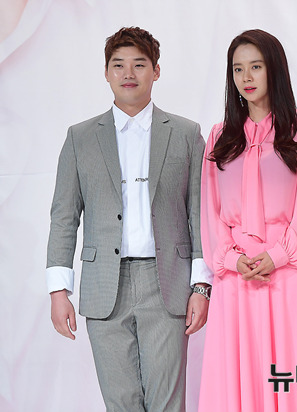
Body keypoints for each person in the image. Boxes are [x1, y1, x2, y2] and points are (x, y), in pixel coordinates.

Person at [46, 27, 210, 412]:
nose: (128, 73)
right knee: (120, 403)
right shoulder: (80, 138)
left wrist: (201, 286)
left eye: (139, 64)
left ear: (156, 70)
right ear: (106, 73)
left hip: (166, 282)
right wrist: (58, 290)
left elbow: (199, 213)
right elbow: (63, 217)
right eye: (118, 65)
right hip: (104, 285)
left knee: (167, 403)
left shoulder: (187, 134)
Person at [198, 29, 297, 412]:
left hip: (288, 270)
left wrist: (278, 255)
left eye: (256, 66)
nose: (247, 77)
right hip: (236, 275)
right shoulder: (219, 137)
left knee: (291, 371)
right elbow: (210, 210)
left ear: (274, 69)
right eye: (238, 69)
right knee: (238, 379)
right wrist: (230, 259)